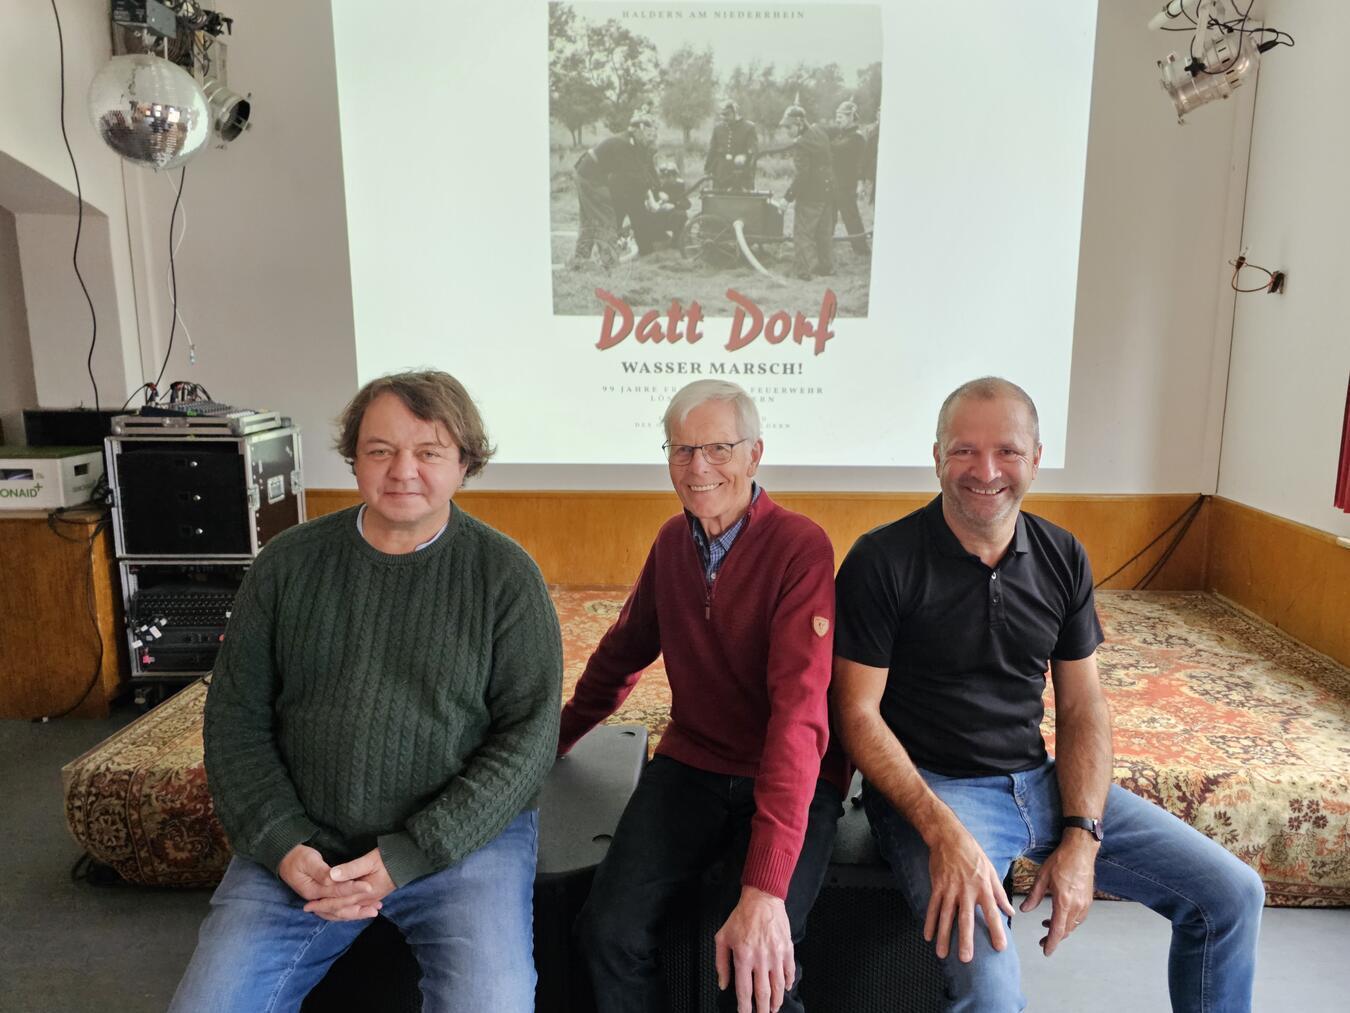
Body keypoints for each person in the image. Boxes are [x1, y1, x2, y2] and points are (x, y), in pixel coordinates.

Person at [831, 377, 1266, 1012]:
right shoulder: (882, 560)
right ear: (936, 456)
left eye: (1007, 451)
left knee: (1232, 896)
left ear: (1036, 459)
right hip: (937, 794)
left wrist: (1083, 836)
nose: (985, 471)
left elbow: (1084, 706)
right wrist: (942, 833)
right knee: (990, 992)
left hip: (1039, 781)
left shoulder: (1063, 555)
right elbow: (857, 714)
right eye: (963, 450)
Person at [169, 370, 563, 1013]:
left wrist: (411, 853)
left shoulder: (505, 576)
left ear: (464, 462)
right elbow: (235, 721)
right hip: (307, 846)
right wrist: (280, 840)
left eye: (429, 452)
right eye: (380, 450)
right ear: (354, 458)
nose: (402, 470)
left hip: (457, 847)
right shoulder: (286, 565)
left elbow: (528, 739)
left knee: (492, 1004)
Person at [564, 380, 849, 1013]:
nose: (699, 468)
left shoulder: (800, 547)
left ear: (755, 454)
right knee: (607, 933)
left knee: (754, 963)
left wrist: (766, 889)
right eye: (682, 449)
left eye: (718, 448)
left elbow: (799, 718)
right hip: (692, 765)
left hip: (789, 774)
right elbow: (622, 652)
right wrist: (553, 740)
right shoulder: (672, 541)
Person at [571, 116, 662, 268]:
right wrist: (651, 199)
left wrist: (652, 191)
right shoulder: (624, 144)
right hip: (591, 177)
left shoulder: (630, 143)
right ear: (639, 130)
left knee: (588, 219)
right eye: (648, 134)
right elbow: (631, 174)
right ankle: (610, 264)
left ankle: (580, 260)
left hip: (585, 173)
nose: (650, 138)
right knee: (606, 217)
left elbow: (641, 170)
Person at [779, 104, 835, 281]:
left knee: (803, 233)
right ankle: (826, 268)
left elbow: (802, 175)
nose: (787, 131)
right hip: (827, 190)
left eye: (789, 127)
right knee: (823, 233)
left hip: (811, 195)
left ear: (800, 123)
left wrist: (787, 198)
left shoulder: (802, 144)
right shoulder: (819, 131)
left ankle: (803, 272)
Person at [827, 101, 871, 256]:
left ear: (850, 117)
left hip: (846, 184)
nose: (837, 120)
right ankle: (826, 246)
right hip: (835, 182)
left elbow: (860, 163)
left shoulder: (856, 137)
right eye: (836, 116)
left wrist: (860, 183)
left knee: (851, 217)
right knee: (829, 216)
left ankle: (861, 249)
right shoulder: (842, 134)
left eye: (840, 117)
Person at [705, 99, 759, 191]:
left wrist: (745, 156)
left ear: (736, 113)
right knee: (719, 200)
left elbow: (753, 150)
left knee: (740, 201)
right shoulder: (718, 128)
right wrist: (707, 170)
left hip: (741, 172)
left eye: (727, 114)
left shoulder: (749, 127)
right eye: (722, 115)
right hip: (721, 173)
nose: (724, 117)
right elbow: (712, 150)